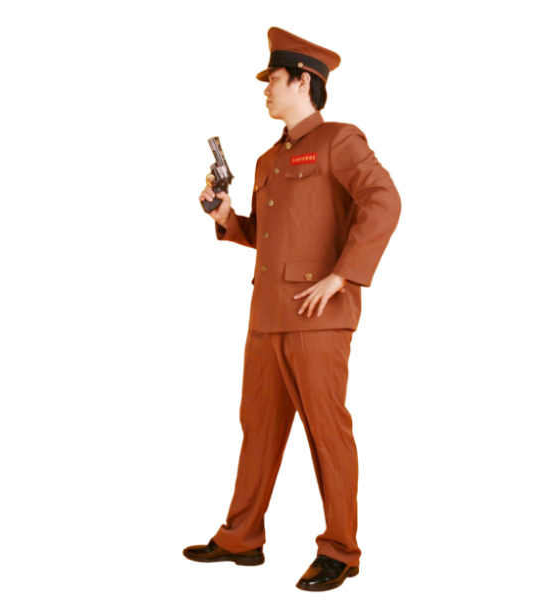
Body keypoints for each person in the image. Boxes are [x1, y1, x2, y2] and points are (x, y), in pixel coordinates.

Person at [183, 25, 402, 593]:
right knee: (256, 430)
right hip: (266, 317)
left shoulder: (339, 139)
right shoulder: (264, 159)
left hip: (318, 316)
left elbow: (385, 199)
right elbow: (267, 235)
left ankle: (340, 551)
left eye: (272, 79)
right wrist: (227, 219)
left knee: (327, 433)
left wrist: (344, 274)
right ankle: (241, 540)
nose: (264, 88)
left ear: (303, 81)